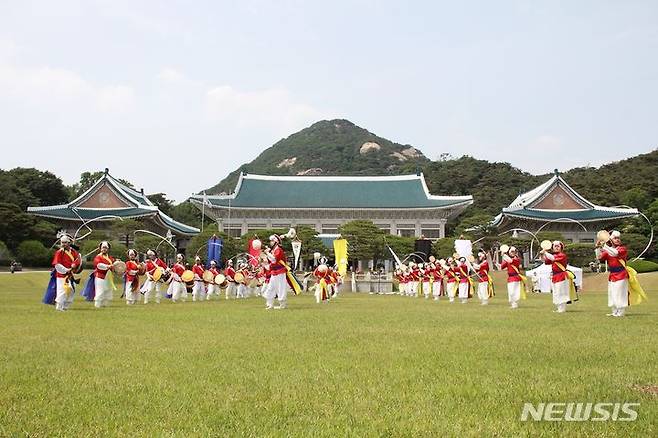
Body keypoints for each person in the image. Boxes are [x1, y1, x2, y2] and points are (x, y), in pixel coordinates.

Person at [596, 231, 629, 317]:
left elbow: (614, 253)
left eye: (618, 238)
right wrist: (598, 248)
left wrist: (604, 245)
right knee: (612, 293)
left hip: (621, 274)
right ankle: (614, 311)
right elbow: (599, 257)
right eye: (615, 238)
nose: (617, 240)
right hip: (612, 275)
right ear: (611, 240)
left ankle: (621, 312)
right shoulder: (608, 250)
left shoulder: (622, 249)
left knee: (620, 293)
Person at [50, 234, 81, 311]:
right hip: (61, 275)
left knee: (71, 291)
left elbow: (77, 260)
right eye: (62, 242)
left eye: (65, 242)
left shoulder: (74, 252)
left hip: (71, 275)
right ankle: (59, 307)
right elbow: (57, 265)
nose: (63, 244)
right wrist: (66, 270)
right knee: (62, 291)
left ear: (68, 243)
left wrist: (74, 264)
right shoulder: (59, 252)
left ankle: (66, 306)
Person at [542, 241, 572, 313]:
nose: (556, 247)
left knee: (560, 292)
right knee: (556, 292)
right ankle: (559, 308)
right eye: (555, 246)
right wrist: (543, 254)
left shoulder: (562, 255)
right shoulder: (554, 256)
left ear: (561, 247)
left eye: (558, 246)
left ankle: (562, 308)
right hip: (555, 276)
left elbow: (552, 258)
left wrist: (545, 252)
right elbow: (545, 261)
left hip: (561, 275)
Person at [263, 234, 288, 309]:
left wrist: (267, 253)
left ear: (276, 242)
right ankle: (270, 304)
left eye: (272, 241)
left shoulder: (278, 250)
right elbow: (271, 261)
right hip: (274, 272)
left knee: (280, 287)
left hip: (280, 271)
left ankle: (282, 304)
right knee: (271, 287)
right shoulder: (274, 250)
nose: (270, 242)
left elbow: (274, 259)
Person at [93, 241, 115, 308]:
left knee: (107, 290)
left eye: (105, 248)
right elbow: (99, 265)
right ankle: (97, 304)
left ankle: (104, 304)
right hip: (100, 276)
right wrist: (108, 266)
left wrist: (116, 263)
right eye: (103, 248)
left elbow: (113, 264)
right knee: (100, 290)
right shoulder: (98, 257)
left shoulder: (110, 258)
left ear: (108, 249)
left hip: (108, 277)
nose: (104, 249)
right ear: (100, 248)